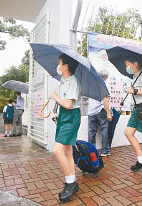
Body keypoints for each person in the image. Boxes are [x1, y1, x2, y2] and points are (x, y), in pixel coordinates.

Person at [50, 53, 81, 202]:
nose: (58, 66)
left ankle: (70, 183)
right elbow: (64, 104)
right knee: (67, 150)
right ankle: (72, 179)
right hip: (64, 116)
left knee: (57, 150)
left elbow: (69, 104)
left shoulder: (73, 81)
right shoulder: (63, 80)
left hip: (72, 117)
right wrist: (58, 114)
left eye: (59, 63)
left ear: (66, 66)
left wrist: (55, 98)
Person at [88, 70, 113, 156]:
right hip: (101, 110)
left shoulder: (91, 85)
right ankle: (105, 151)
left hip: (91, 111)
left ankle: (91, 151)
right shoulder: (103, 85)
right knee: (104, 130)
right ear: (105, 77)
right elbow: (105, 100)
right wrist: (108, 112)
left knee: (91, 132)